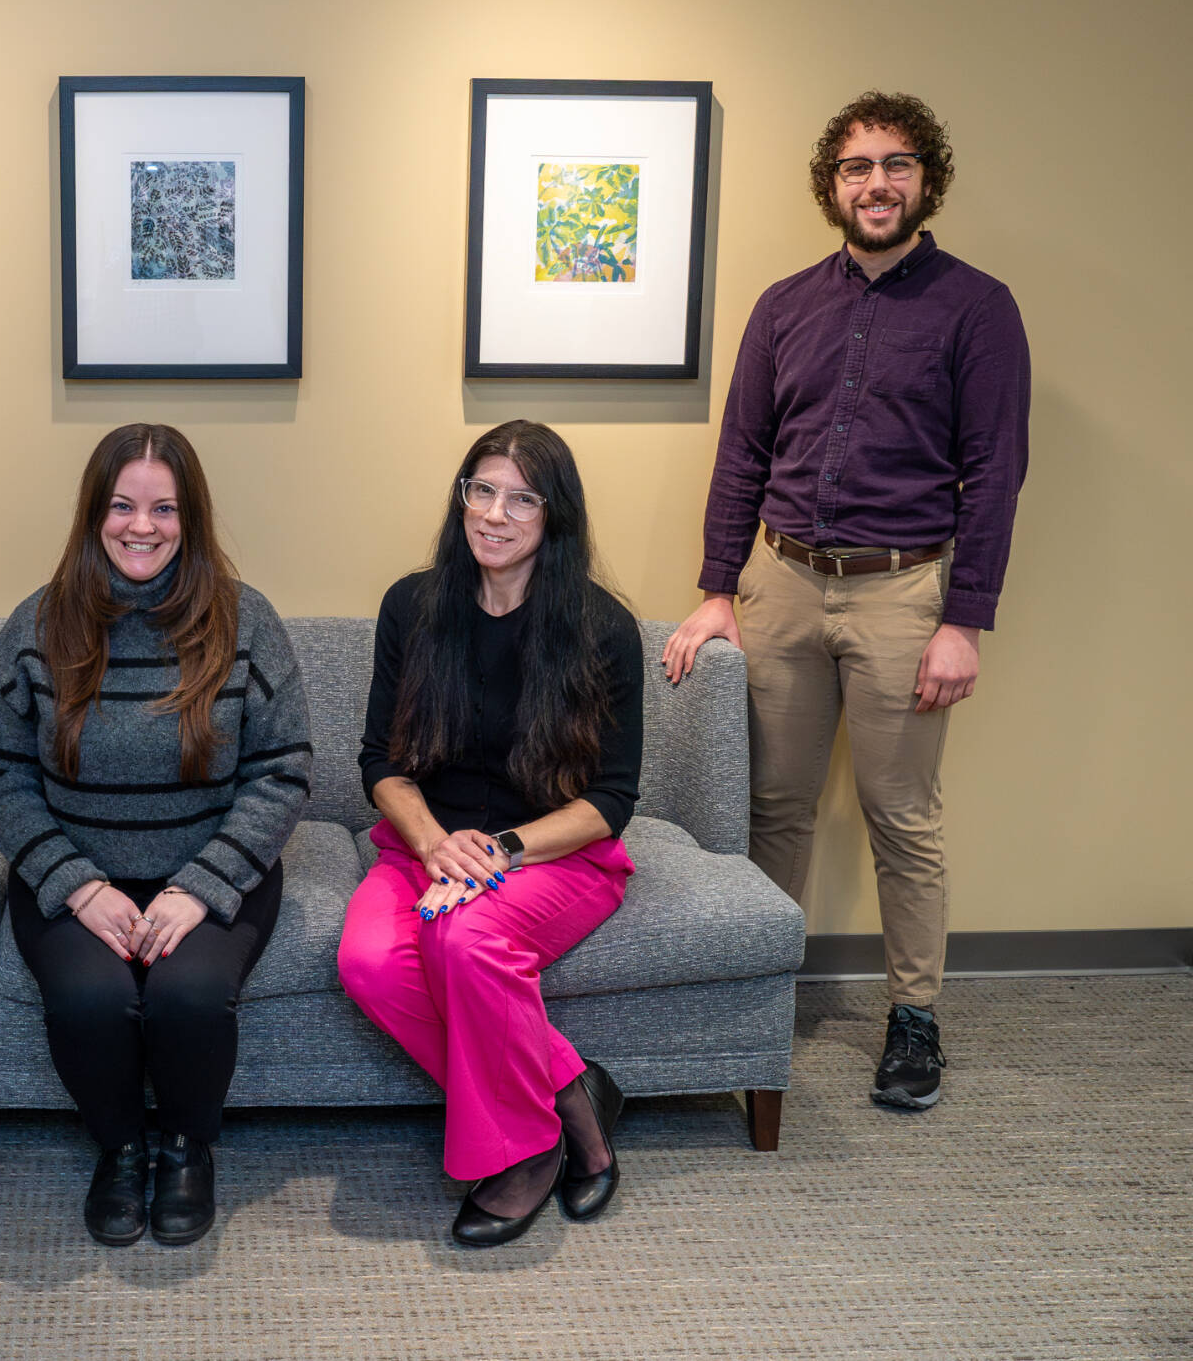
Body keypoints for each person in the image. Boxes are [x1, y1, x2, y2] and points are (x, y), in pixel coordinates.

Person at [661, 91, 1030, 1112]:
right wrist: (714, 592)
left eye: (895, 164)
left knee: (898, 814)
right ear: (831, 184)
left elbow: (992, 473)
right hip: (778, 582)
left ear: (925, 180)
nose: (876, 183)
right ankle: (760, 997)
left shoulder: (976, 308)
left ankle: (911, 1017)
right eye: (856, 167)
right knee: (772, 808)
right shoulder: (783, 305)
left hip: (901, 590)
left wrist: (962, 619)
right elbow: (741, 452)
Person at [0, 424, 310, 1247]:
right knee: (93, 998)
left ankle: (188, 1148)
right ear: (94, 515)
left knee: (187, 995)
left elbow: (283, 771)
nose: (141, 526)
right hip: (73, 874)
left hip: (209, 871)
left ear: (189, 518)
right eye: (122, 506)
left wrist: (198, 888)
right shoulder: (39, 624)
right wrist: (80, 886)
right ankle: (121, 1149)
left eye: (163, 508)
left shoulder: (245, 621)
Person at [338, 420, 642, 1247]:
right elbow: (379, 762)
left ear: (555, 516)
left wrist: (500, 851)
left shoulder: (603, 629)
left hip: (552, 853)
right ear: (461, 498)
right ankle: (572, 1093)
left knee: (463, 939)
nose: (495, 515)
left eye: (522, 498)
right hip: (429, 847)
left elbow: (613, 798)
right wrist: (437, 841)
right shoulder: (413, 606)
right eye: (482, 490)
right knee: (364, 961)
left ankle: (529, 1153)